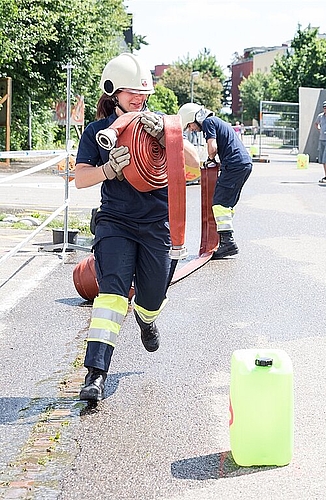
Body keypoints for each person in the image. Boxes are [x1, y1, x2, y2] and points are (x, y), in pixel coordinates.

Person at [74, 53, 200, 402]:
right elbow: (80, 178)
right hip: (115, 222)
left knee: (151, 298)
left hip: (157, 224)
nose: (139, 99)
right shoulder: (98, 132)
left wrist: (168, 137)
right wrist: (106, 171)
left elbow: (195, 161)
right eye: (131, 93)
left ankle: (146, 320)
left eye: (143, 94)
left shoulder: (157, 123)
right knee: (111, 293)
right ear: (113, 92)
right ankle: (95, 374)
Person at [178, 103, 252, 259]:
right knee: (228, 204)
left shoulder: (209, 123)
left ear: (196, 118)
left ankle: (228, 243)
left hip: (234, 165)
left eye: (190, 125)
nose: (191, 129)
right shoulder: (218, 121)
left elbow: (212, 147)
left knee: (219, 203)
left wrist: (210, 160)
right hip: (243, 164)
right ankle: (225, 238)